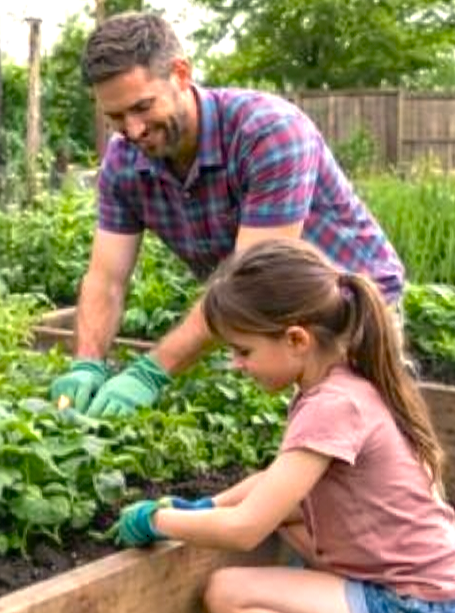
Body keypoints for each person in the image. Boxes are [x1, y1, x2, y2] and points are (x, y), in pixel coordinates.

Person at [114, 238, 455, 613]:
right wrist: (205, 507)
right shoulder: (344, 379)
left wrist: (158, 521)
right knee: (289, 517)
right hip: (445, 603)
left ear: (296, 339)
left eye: (243, 351)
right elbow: (276, 484)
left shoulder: (332, 404)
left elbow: (246, 531)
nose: (238, 365)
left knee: (227, 597)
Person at [49, 11, 405, 417]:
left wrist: (152, 371)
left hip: (347, 315)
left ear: (181, 74)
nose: (132, 130)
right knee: (296, 458)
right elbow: (106, 278)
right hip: (267, 329)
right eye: (115, 118)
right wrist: (87, 360)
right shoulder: (124, 163)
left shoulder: (268, 133)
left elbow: (250, 279)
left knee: (375, 461)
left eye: (142, 107)